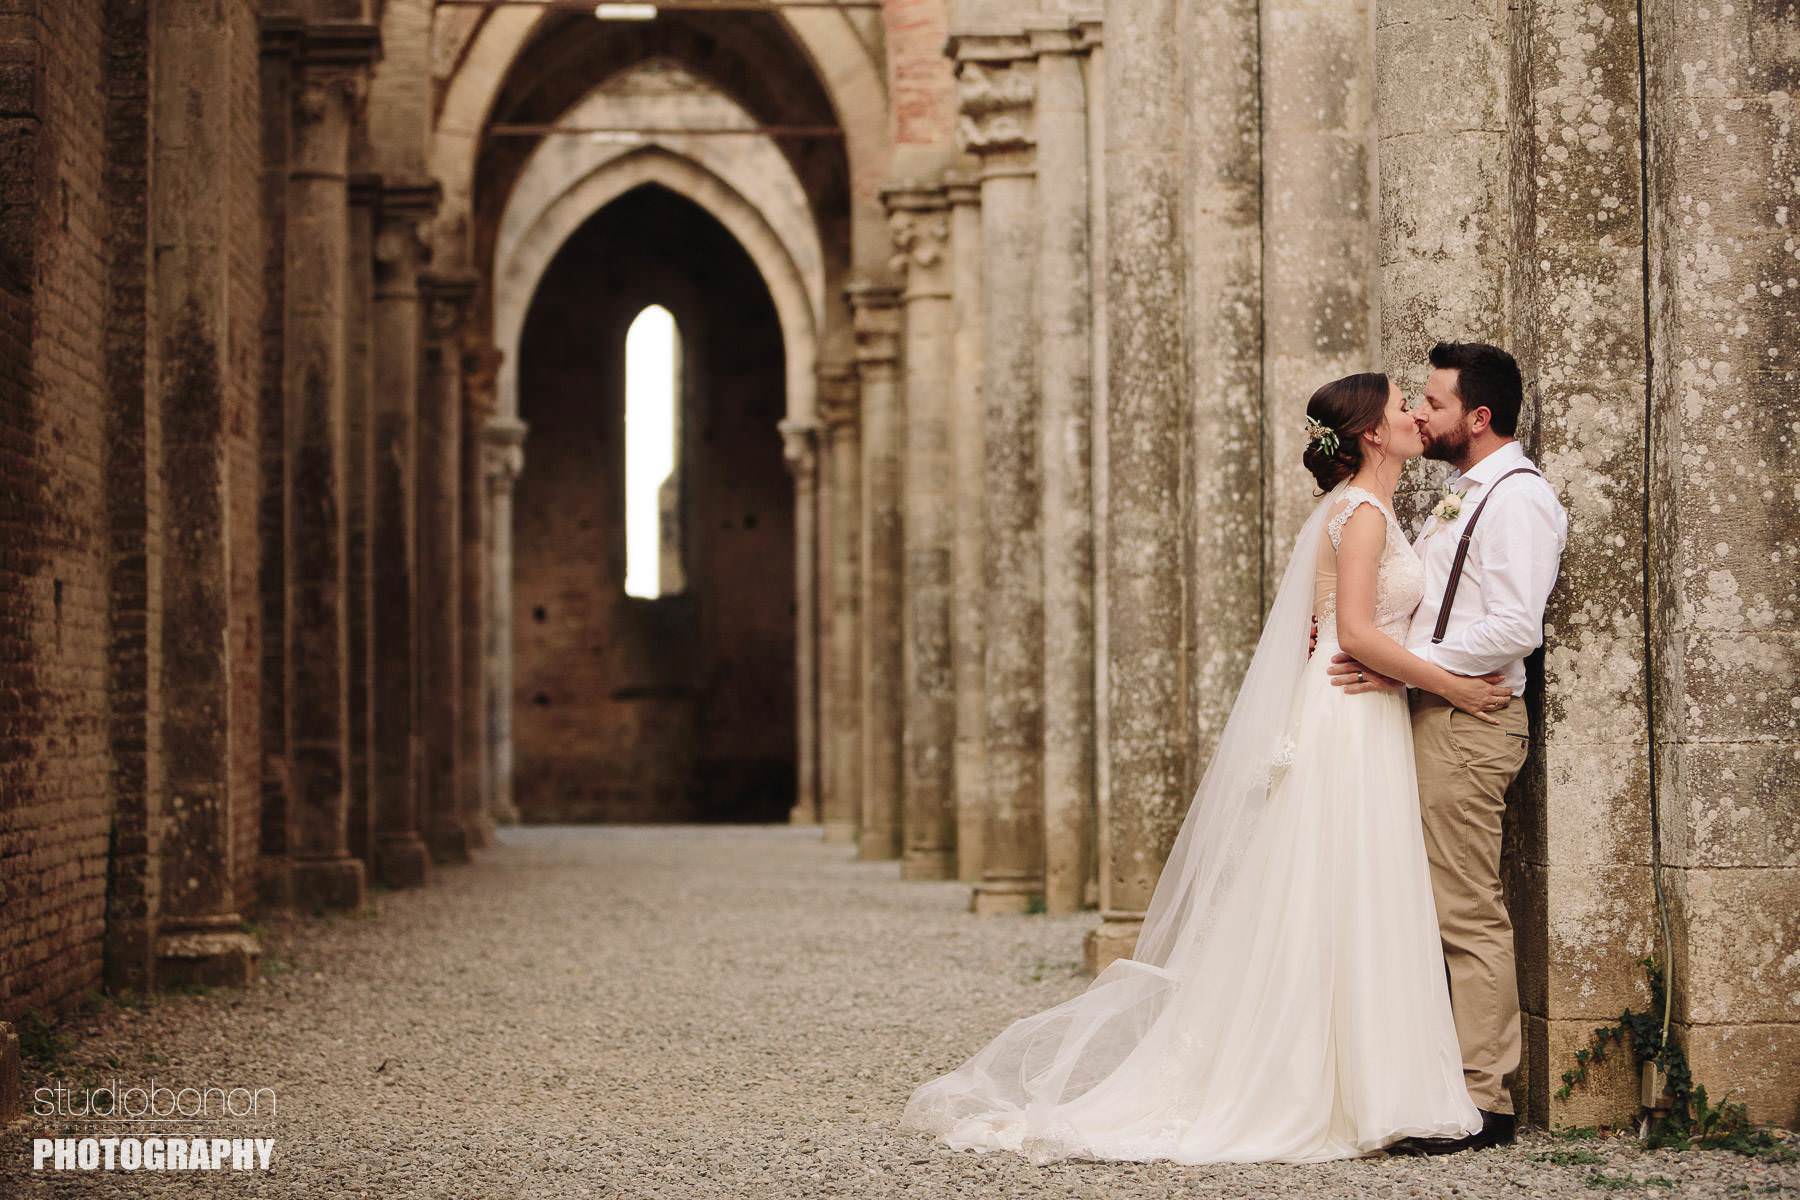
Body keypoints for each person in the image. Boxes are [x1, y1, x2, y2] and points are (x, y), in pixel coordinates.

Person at [900, 372, 1514, 1165]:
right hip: (1351, 712)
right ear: (1371, 433)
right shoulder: (1360, 513)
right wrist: (1452, 685)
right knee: (1344, 882)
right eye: (1403, 406)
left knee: (1351, 887)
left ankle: (1364, 1078)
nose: (1414, 418)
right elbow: (1359, 635)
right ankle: (1342, 1084)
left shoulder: (1366, 509)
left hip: (1364, 708)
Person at [1324, 342, 1568, 1155]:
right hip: (1432, 708)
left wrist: (1411, 667)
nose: (1422, 414)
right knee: (1423, 902)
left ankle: (1485, 1098)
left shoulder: (1520, 500)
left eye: (1434, 402)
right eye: (1418, 403)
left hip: (1471, 721)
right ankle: (1431, 1080)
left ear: (1480, 416)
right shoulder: (1462, 494)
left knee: (1464, 908)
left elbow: (1514, 627)